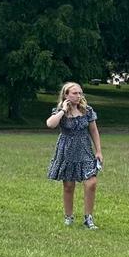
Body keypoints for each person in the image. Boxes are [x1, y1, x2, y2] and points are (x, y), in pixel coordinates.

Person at [46, 82, 103, 229]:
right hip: (67, 150)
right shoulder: (60, 110)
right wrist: (63, 110)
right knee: (68, 186)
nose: (78, 96)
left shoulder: (87, 110)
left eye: (80, 93)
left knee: (91, 183)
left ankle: (88, 218)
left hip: (85, 149)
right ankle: (69, 217)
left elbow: (94, 131)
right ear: (66, 95)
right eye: (75, 93)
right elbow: (50, 124)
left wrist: (98, 151)